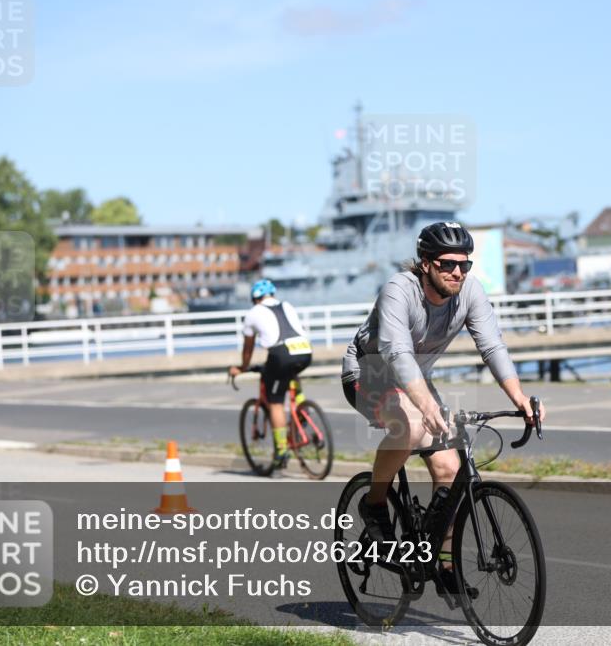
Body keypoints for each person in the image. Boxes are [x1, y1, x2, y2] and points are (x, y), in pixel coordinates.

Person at [340, 221, 544, 601]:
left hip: (415, 376)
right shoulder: (399, 290)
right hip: (370, 371)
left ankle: (443, 561)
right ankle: (375, 504)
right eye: (448, 264)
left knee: (452, 471)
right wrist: (427, 405)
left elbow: (493, 347)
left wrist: (519, 397)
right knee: (413, 427)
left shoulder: (469, 291)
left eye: (464, 265)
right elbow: (397, 355)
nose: (457, 272)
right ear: (425, 264)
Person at [230, 279, 312, 470]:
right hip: (305, 350)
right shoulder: (287, 305)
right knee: (290, 372)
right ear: (272, 295)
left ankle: (281, 451)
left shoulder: (253, 313)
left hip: (281, 353)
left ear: (254, 298)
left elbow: (248, 348)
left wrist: (242, 367)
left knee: (275, 402)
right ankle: (301, 405)